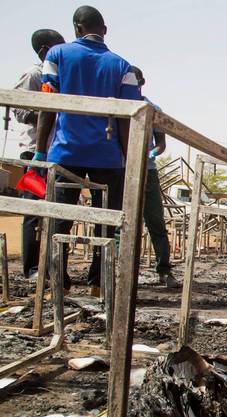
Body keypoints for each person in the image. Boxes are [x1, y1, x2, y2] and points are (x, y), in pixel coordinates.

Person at [35, 6, 141, 294]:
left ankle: (59, 282)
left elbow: (48, 106)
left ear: (76, 28)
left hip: (65, 153)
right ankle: (98, 281)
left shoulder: (56, 56)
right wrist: (128, 158)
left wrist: (40, 152)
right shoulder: (123, 67)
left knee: (59, 219)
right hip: (107, 156)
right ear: (104, 30)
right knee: (105, 224)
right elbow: (126, 119)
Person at [12, 29, 65, 280]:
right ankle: (32, 269)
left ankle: (49, 266)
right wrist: (48, 116)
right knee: (33, 212)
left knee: (53, 212)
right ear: (45, 51)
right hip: (34, 153)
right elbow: (20, 111)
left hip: (56, 154)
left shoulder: (58, 77)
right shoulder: (33, 75)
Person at [130, 67, 180, 288]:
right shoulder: (119, 105)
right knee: (121, 224)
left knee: (156, 222)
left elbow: (161, 143)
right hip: (121, 170)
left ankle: (164, 270)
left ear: (142, 82)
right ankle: (117, 270)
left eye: (135, 82)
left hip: (147, 170)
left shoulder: (153, 109)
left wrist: (153, 151)